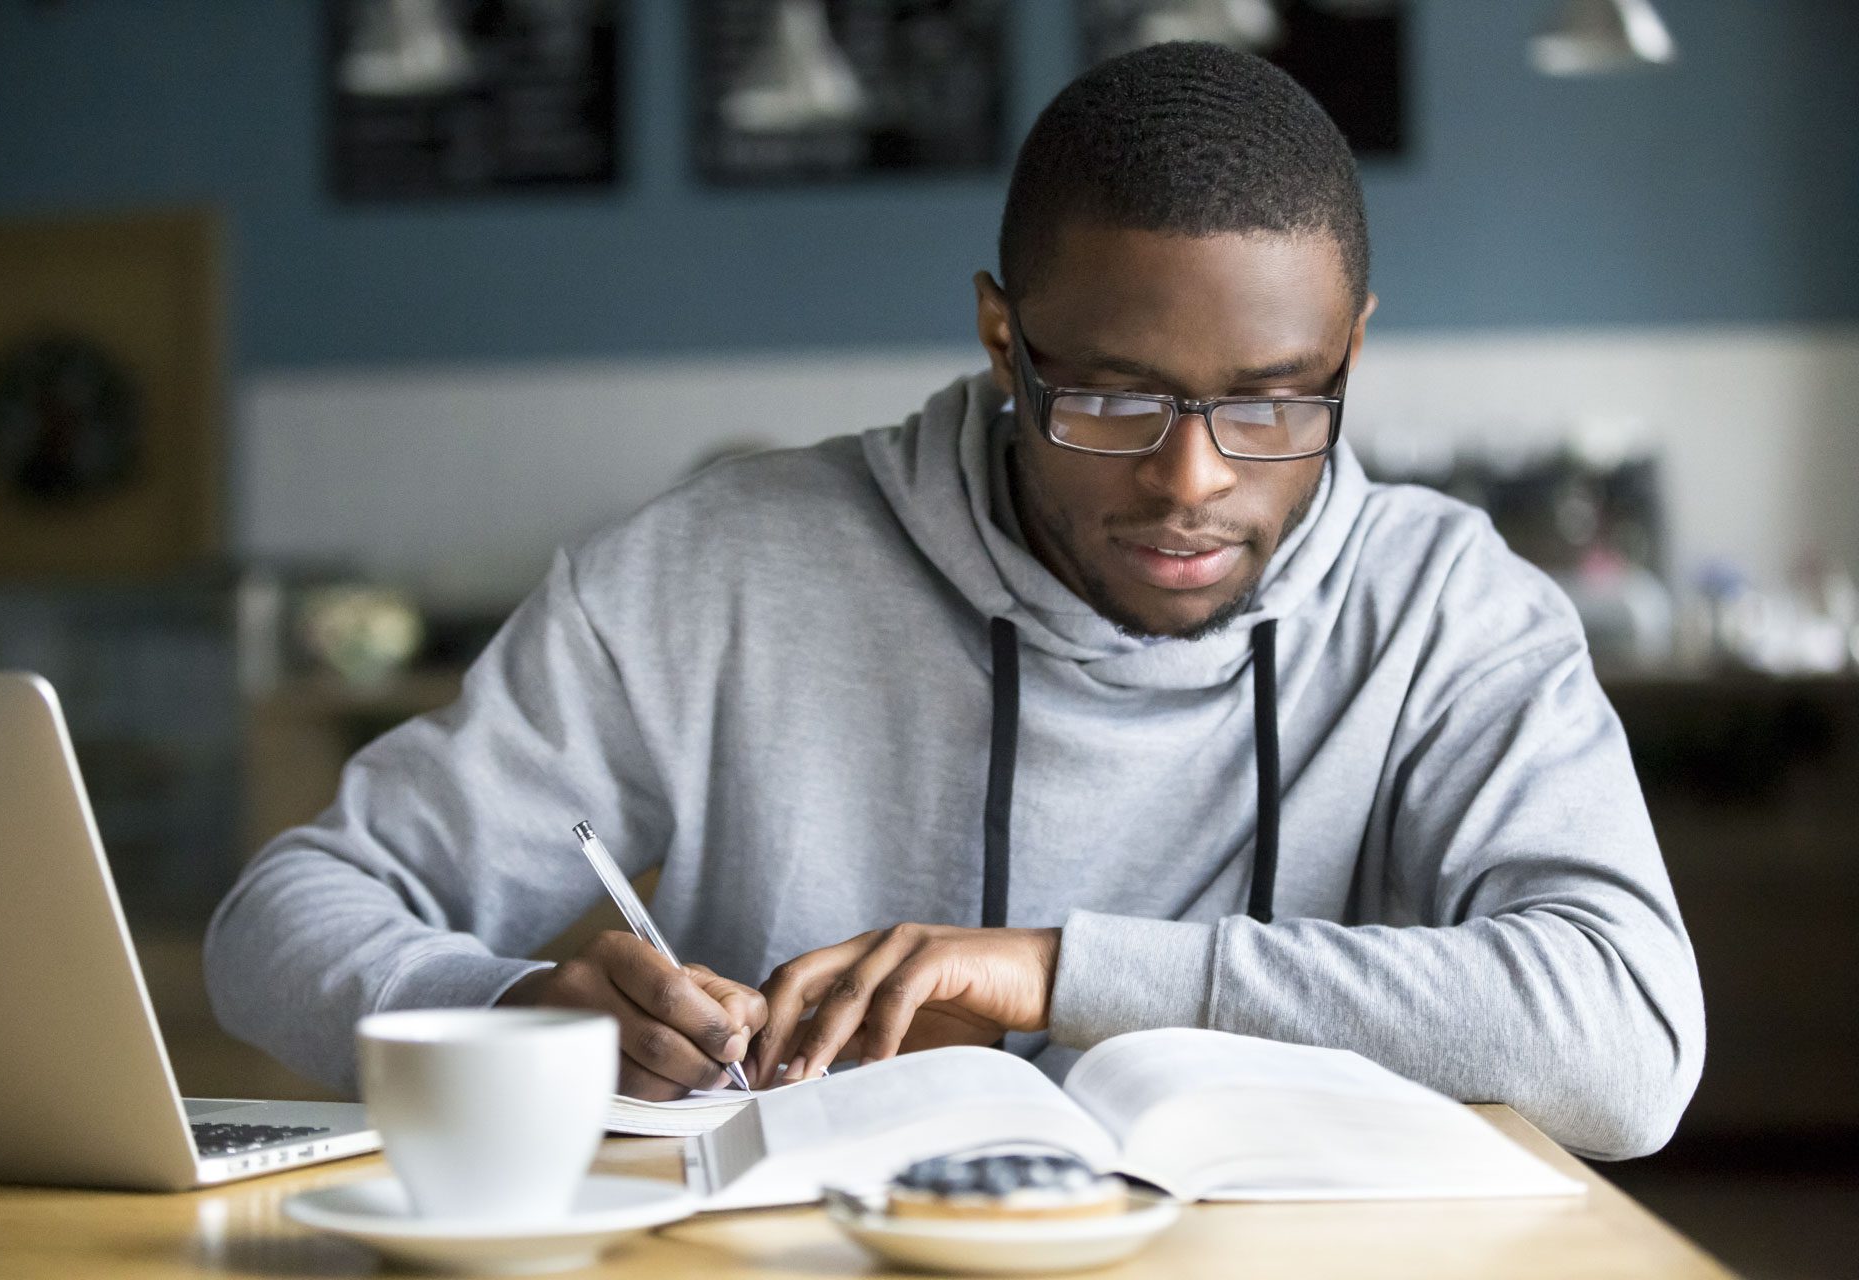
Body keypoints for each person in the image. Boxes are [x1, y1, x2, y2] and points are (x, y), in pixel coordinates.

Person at [207, 41, 1703, 1160]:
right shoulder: (716, 570)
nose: (1192, 481)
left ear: (1351, 350)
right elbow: (280, 919)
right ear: (1005, 336)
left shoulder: (1447, 611)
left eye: (1273, 403)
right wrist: (518, 1007)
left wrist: (1055, 970)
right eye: (1113, 399)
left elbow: (1628, 1047)